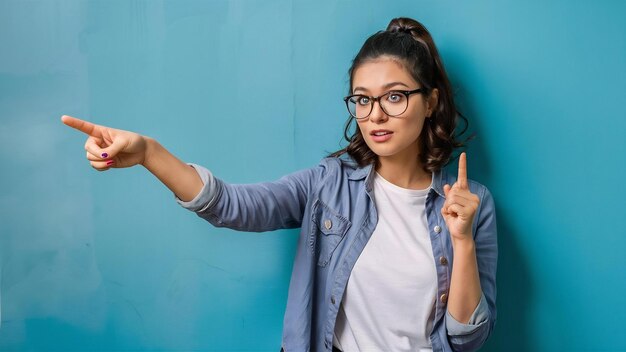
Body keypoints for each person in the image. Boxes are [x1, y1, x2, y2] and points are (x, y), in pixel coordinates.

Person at [62, 17, 497, 352]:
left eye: (395, 96)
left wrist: (461, 242)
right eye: (362, 99)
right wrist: (149, 154)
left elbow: (466, 340)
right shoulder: (328, 186)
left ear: (431, 102)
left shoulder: (473, 204)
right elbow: (233, 206)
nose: (375, 115)